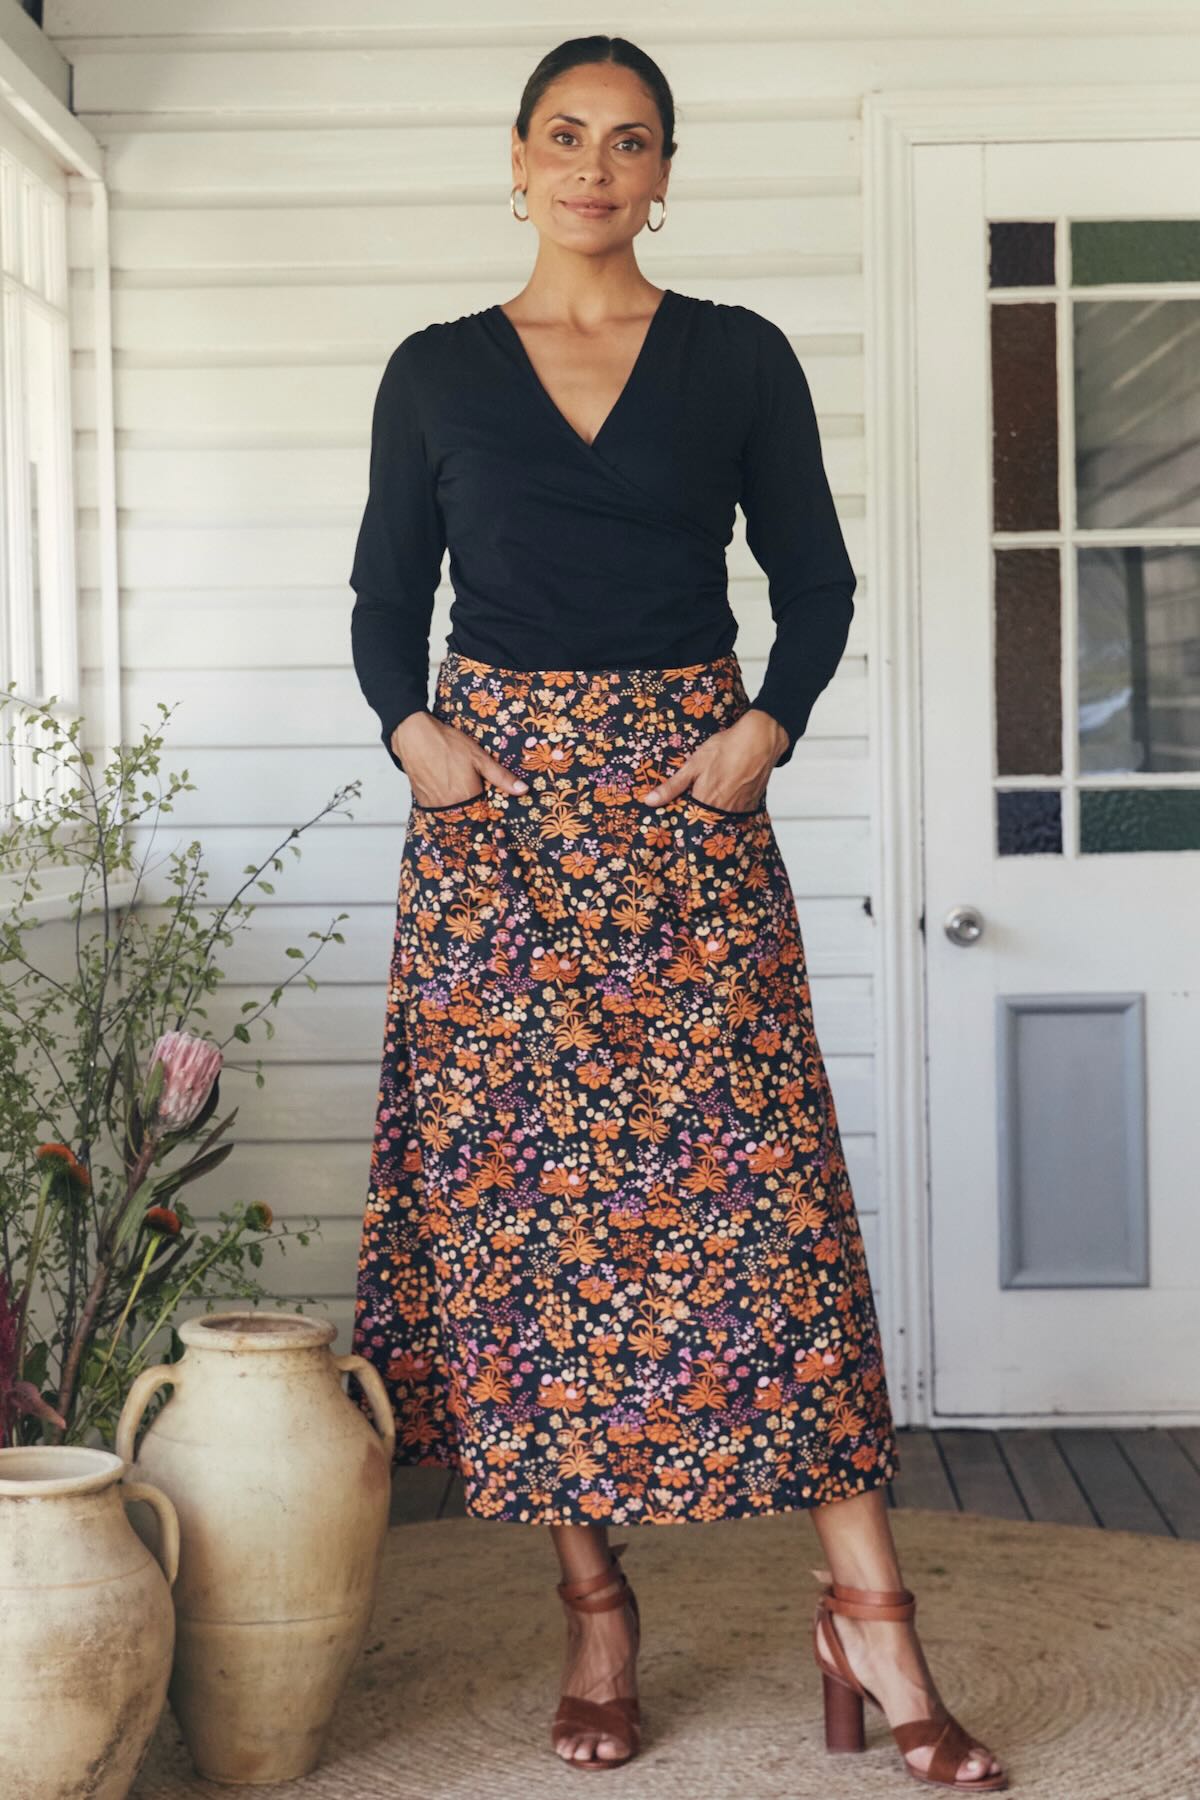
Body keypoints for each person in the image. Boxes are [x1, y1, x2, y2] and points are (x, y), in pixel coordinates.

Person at [348, 33, 1006, 1791]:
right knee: (527, 1225)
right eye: (565, 136)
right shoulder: (435, 372)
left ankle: (870, 1612)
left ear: (663, 173)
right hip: (496, 837)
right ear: (516, 159)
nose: (593, 167)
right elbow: (383, 600)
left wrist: (761, 733)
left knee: (766, 1208)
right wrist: (413, 734)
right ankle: (595, 1612)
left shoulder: (735, 357)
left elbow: (818, 583)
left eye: (628, 140)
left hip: (687, 820)